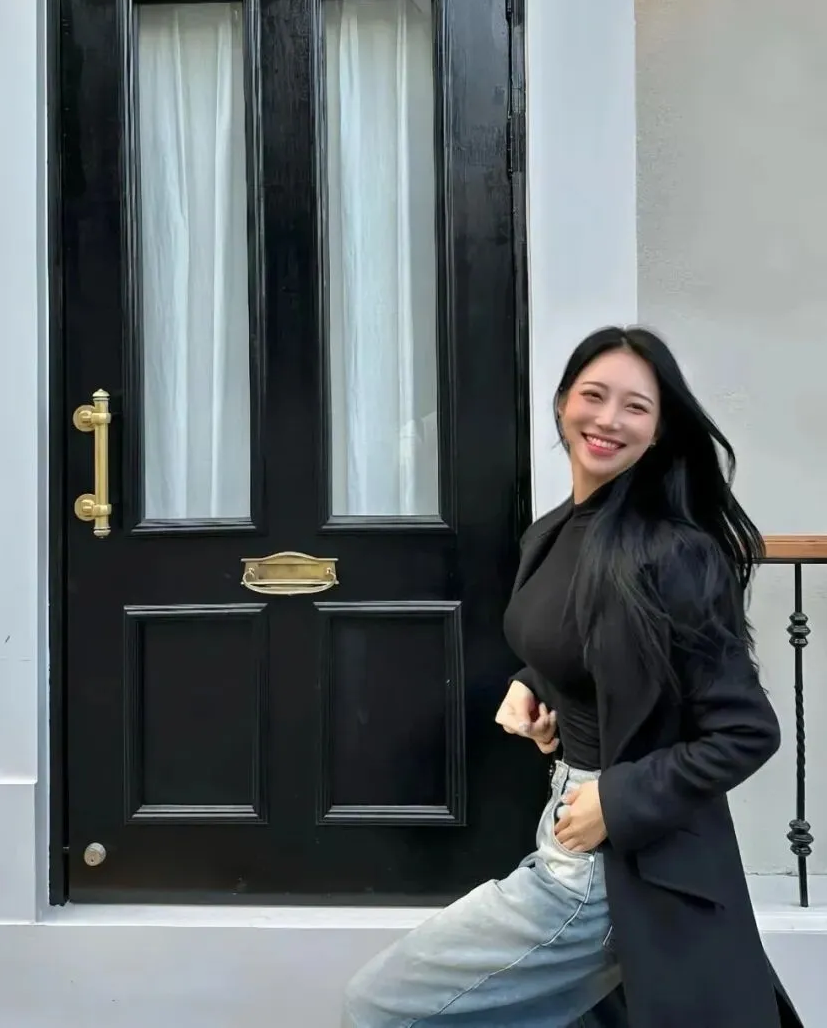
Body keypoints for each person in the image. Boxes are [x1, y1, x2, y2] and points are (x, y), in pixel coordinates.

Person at [342, 325, 802, 1028]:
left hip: (614, 864)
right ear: (562, 403)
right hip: (564, 827)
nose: (608, 419)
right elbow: (585, 641)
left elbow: (746, 731)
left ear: (658, 431)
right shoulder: (556, 529)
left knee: (380, 1005)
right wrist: (535, 682)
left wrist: (614, 800)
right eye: (594, 395)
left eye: (635, 407)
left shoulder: (673, 553)